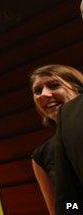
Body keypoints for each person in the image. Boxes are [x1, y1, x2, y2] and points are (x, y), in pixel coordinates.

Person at [29, 65, 83, 215]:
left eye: (54, 85)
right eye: (37, 91)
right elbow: (65, 207)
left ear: (78, 88)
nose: (44, 94)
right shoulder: (41, 155)